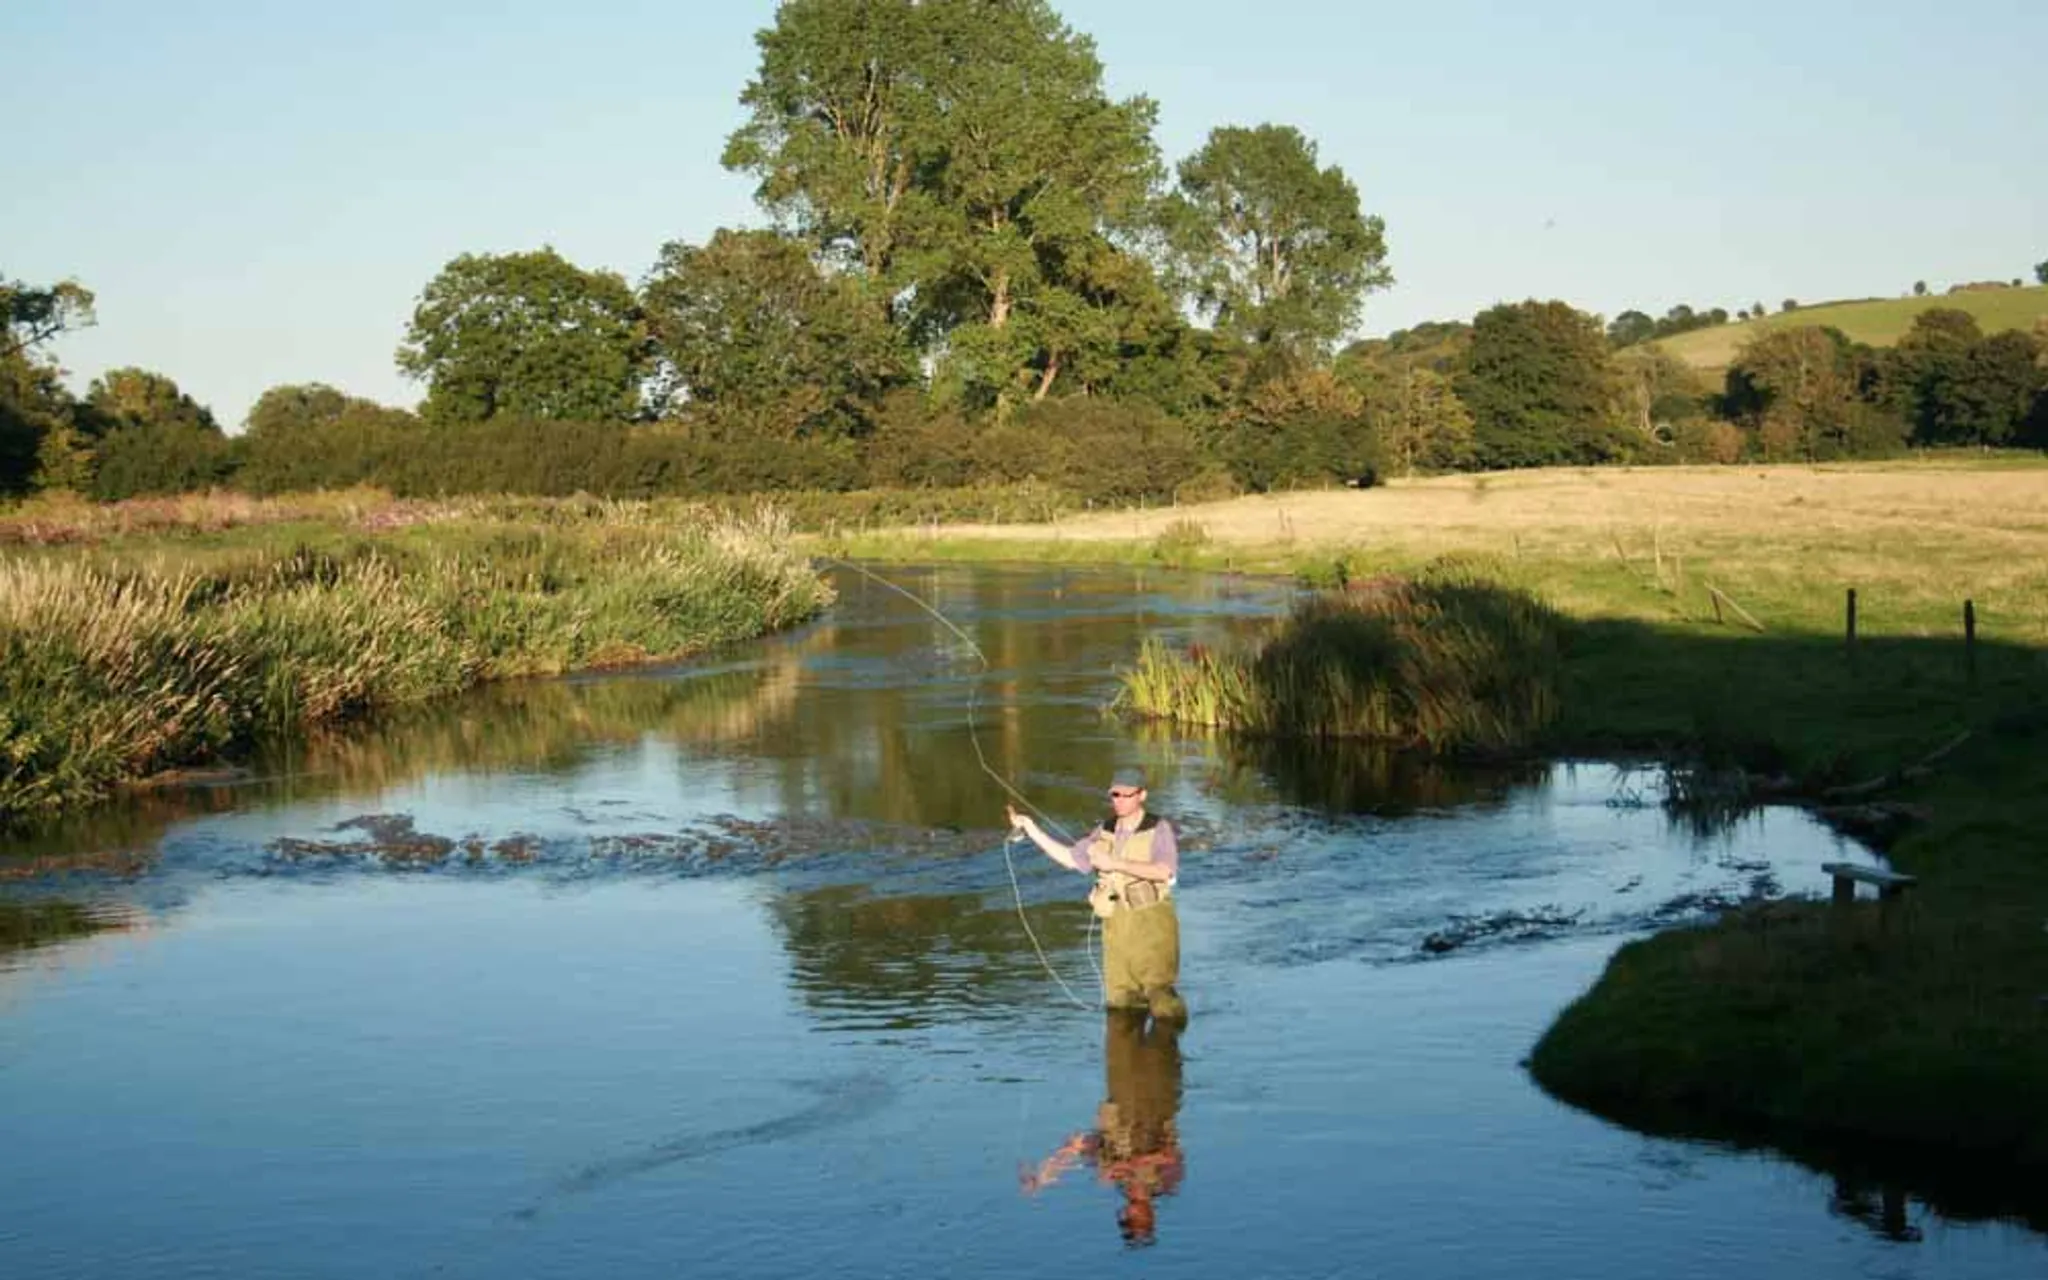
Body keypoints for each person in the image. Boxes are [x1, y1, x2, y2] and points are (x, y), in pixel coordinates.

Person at [1007, 765, 1186, 1023]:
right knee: (1121, 1004)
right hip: (1115, 926)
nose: (1120, 801)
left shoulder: (1159, 828)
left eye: (1127, 795)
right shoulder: (1104, 830)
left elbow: (1165, 871)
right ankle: (1123, 1059)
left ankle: (1167, 1055)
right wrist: (1030, 827)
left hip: (1152, 923)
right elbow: (1069, 858)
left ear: (1142, 795)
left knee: (1162, 1000)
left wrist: (1116, 864)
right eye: (1115, 795)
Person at [1019, 1009, 1187, 1247]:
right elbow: (1170, 1157)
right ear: (1152, 1218)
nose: (1135, 1217)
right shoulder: (1167, 1185)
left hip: (1121, 1096)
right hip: (1158, 1097)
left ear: (1122, 1215)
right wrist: (1131, 1164)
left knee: (1121, 1027)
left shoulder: (1112, 1176)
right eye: (1141, 1222)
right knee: (1163, 1025)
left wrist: (1043, 1176)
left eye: (1131, 1221)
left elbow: (1080, 1145)